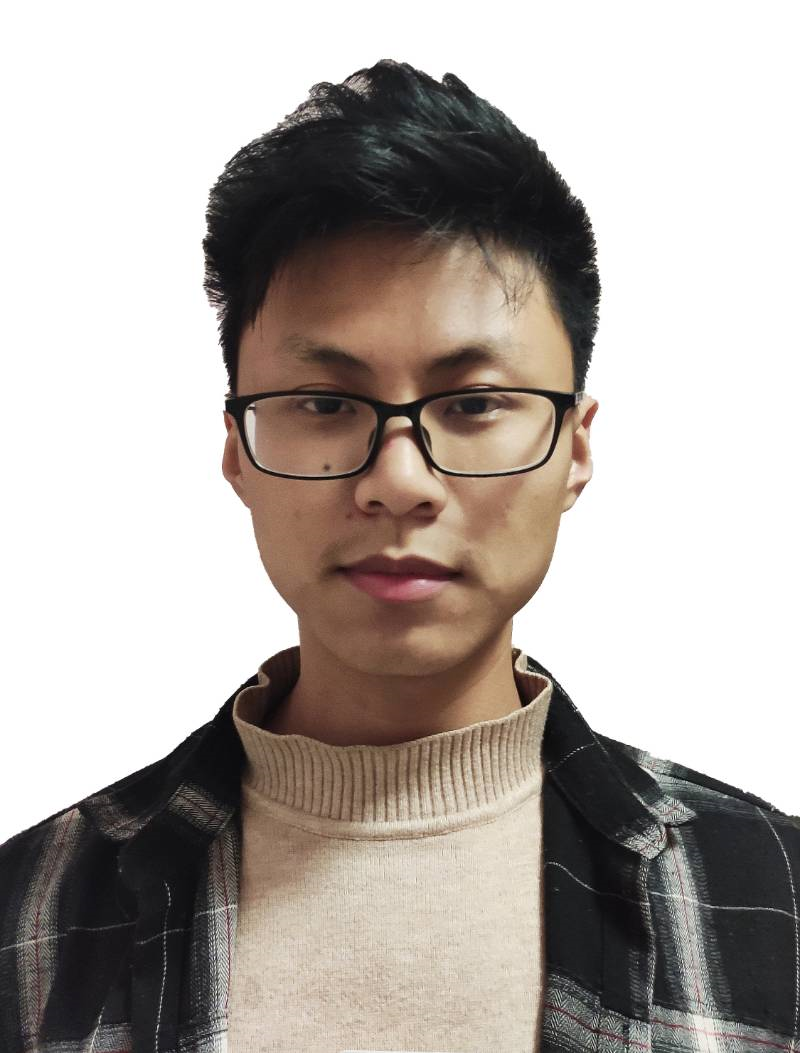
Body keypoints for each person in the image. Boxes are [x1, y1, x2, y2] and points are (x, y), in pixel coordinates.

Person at [1, 58, 797, 1053]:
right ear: (236, 449)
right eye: (325, 403)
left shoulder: (771, 897)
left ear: (575, 447)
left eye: (473, 404)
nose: (399, 481)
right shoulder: (30, 916)